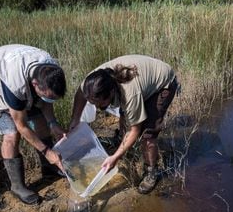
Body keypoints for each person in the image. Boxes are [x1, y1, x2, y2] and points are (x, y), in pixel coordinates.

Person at [69, 54, 180, 194]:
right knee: (125, 113)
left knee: (148, 133)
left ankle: (151, 171)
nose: (97, 107)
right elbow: (80, 94)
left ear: (111, 92)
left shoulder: (129, 94)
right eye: (93, 103)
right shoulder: (92, 82)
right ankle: (121, 142)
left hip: (163, 83)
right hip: (141, 82)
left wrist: (116, 157)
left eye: (99, 103)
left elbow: (134, 130)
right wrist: (75, 120)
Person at [0, 44, 66, 205]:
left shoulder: (51, 70)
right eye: (45, 95)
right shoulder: (15, 85)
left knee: (40, 121)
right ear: (35, 84)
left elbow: (46, 101)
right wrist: (47, 151)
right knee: (12, 133)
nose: (48, 99)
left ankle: (49, 167)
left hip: (13, 69)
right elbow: (22, 125)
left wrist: (53, 123)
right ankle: (17, 186)